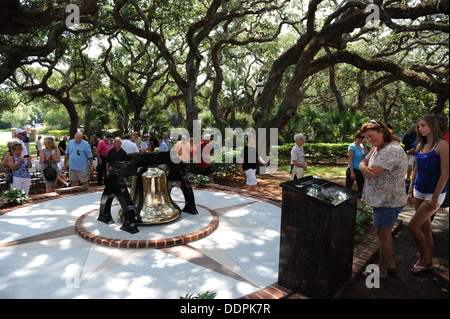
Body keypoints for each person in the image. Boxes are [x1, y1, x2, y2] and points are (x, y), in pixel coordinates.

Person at [359, 119, 407, 280]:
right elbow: (364, 162)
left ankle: (383, 270)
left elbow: (373, 171)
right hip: (384, 199)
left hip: (387, 201)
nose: (370, 141)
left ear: (382, 131)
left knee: (383, 234)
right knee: (383, 234)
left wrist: (365, 168)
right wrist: (362, 166)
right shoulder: (378, 146)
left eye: (372, 136)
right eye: (367, 138)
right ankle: (390, 264)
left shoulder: (390, 150)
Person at [407, 115, 449, 275]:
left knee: (412, 226)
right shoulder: (419, 146)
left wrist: (434, 197)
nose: (420, 129)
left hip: (435, 193)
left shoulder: (442, 145)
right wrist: (410, 190)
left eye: (423, 125)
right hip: (419, 190)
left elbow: (445, 174)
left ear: (432, 125)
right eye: (418, 126)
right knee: (425, 227)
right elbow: (416, 169)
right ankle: (429, 262)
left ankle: (423, 258)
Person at [346, 130, 368, 197]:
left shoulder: (362, 146)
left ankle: (359, 203)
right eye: (359, 137)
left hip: (360, 170)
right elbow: (350, 160)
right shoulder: (352, 146)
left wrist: (365, 146)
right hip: (352, 169)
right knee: (348, 188)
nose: (361, 139)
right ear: (356, 137)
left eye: (363, 137)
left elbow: (367, 156)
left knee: (361, 188)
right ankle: (346, 202)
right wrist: (352, 172)